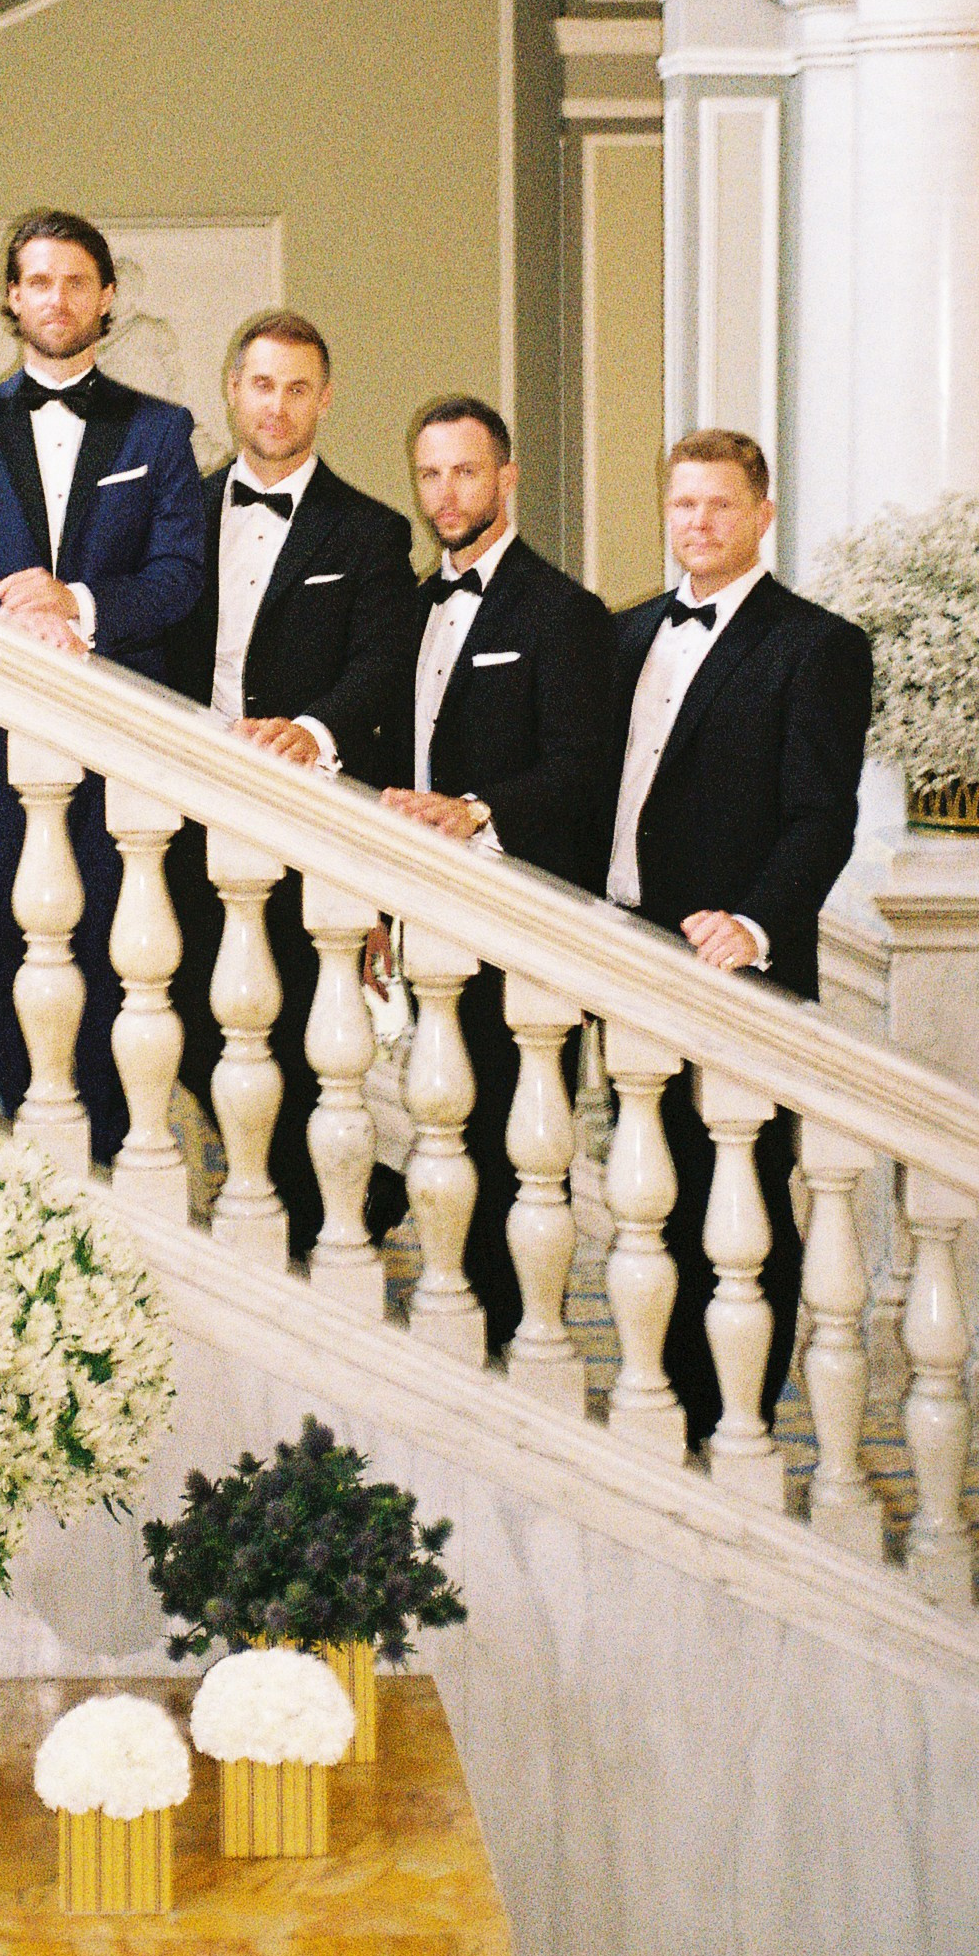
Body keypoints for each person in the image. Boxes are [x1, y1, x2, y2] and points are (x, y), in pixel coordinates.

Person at [0, 209, 204, 1159]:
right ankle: (24, 1132)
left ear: (106, 296)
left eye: (76, 280)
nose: (56, 298)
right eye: (37, 280)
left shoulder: (160, 432)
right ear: (11, 294)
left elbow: (179, 577)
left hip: (123, 737)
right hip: (0, 733)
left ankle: (124, 1146)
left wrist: (73, 600)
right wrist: (18, 616)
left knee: (121, 944)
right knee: (2, 928)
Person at [604, 427, 873, 1446]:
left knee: (744, 1200)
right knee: (649, 1193)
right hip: (622, 947)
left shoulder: (814, 643)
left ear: (761, 514)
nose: (697, 522)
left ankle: (739, 1416)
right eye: (682, 503)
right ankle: (659, 1407)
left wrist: (754, 921)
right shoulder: (623, 633)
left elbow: (820, 814)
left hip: (735, 969)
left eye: (718, 504)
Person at [160, 309, 418, 1253]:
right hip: (185, 809)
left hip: (307, 821)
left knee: (305, 1021)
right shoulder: (175, 509)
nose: (276, 405)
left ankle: (306, 1215)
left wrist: (312, 733)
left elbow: (385, 660)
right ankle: (337, 1193)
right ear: (232, 388)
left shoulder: (370, 530)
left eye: (297, 386)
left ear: (324, 397)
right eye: (261, 384)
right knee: (177, 1008)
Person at [370, 396, 614, 1349]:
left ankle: (515, 1337)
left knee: (509, 1147)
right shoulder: (412, 607)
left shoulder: (562, 611)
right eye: (429, 473)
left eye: (465, 471)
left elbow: (582, 768)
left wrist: (476, 810)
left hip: (517, 921)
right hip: (427, 920)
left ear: (506, 479)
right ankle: (454, 1318)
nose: (445, 493)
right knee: (443, 1128)